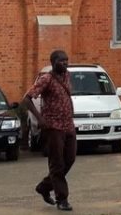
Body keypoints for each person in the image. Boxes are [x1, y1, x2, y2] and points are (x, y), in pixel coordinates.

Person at [23, 50, 77, 212]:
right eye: (61, 61)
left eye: (67, 60)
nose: (65, 63)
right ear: (53, 62)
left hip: (68, 125)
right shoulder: (46, 79)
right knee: (57, 163)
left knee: (70, 159)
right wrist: (40, 119)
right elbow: (27, 99)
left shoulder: (67, 76)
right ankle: (62, 198)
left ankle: (44, 187)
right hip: (53, 127)